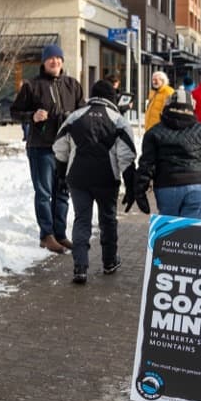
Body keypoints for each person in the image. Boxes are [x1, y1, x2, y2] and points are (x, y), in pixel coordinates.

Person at [53, 79, 137, 284]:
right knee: (108, 219)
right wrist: (131, 186)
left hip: (78, 178)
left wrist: (61, 175)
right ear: (112, 98)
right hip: (107, 178)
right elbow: (126, 156)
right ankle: (109, 262)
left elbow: (60, 148)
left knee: (82, 219)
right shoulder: (118, 120)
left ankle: (80, 267)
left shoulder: (74, 117)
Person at [9, 43, 84, 254]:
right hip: (41, 147)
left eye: (58, 58)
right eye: (50, 58)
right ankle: (46, 235)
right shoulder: (32, 86)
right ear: (44, 62)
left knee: (62, 193)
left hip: (66, 148)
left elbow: (82, 112)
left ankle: (60, 234)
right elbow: (14, 112)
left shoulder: (72, 85)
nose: (55, 61)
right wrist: (32, 116)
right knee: (44, 193)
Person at [134, 87, 201, 219]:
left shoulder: (154, 133)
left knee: (170, 229)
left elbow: (147, 165)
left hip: (167, 186)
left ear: (166, 107)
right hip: (197, 185)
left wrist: (139, 191)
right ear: (192, 107)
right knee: (193, 230)